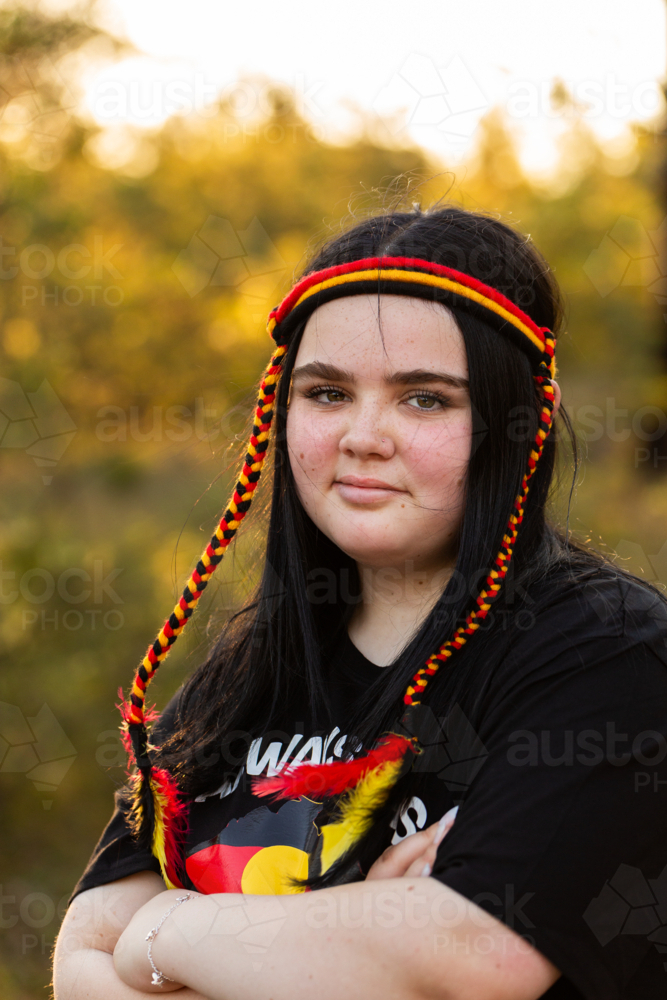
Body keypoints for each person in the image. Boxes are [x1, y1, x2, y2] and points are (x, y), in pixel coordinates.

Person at [53, 204, 667, 1000]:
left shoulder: (607, 655)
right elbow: (80, 958)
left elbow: (468, 963)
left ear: (513, 427)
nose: (363, 435)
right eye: (328, 393)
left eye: (424, 399)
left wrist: (166, 935)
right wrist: (356, 927)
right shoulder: (252, 670)